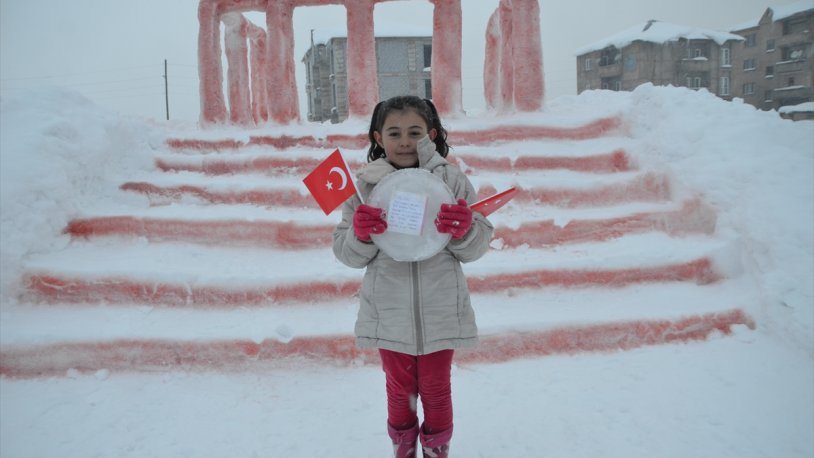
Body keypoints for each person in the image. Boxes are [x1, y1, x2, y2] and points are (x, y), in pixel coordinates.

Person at [332, 95, 494, 457]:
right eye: (394, 132)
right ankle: (402, 449)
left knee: (437, 388)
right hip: (389, 311)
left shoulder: (451, 180)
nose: (404, 140)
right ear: (377, 138)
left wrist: (465, 230)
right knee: (399, 390)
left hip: (441, 309)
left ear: (431, 134)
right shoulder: (364, 187)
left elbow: (476, 246)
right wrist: (360, 234)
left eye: (414, 131)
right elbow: (345, 253)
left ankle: (437, 450)